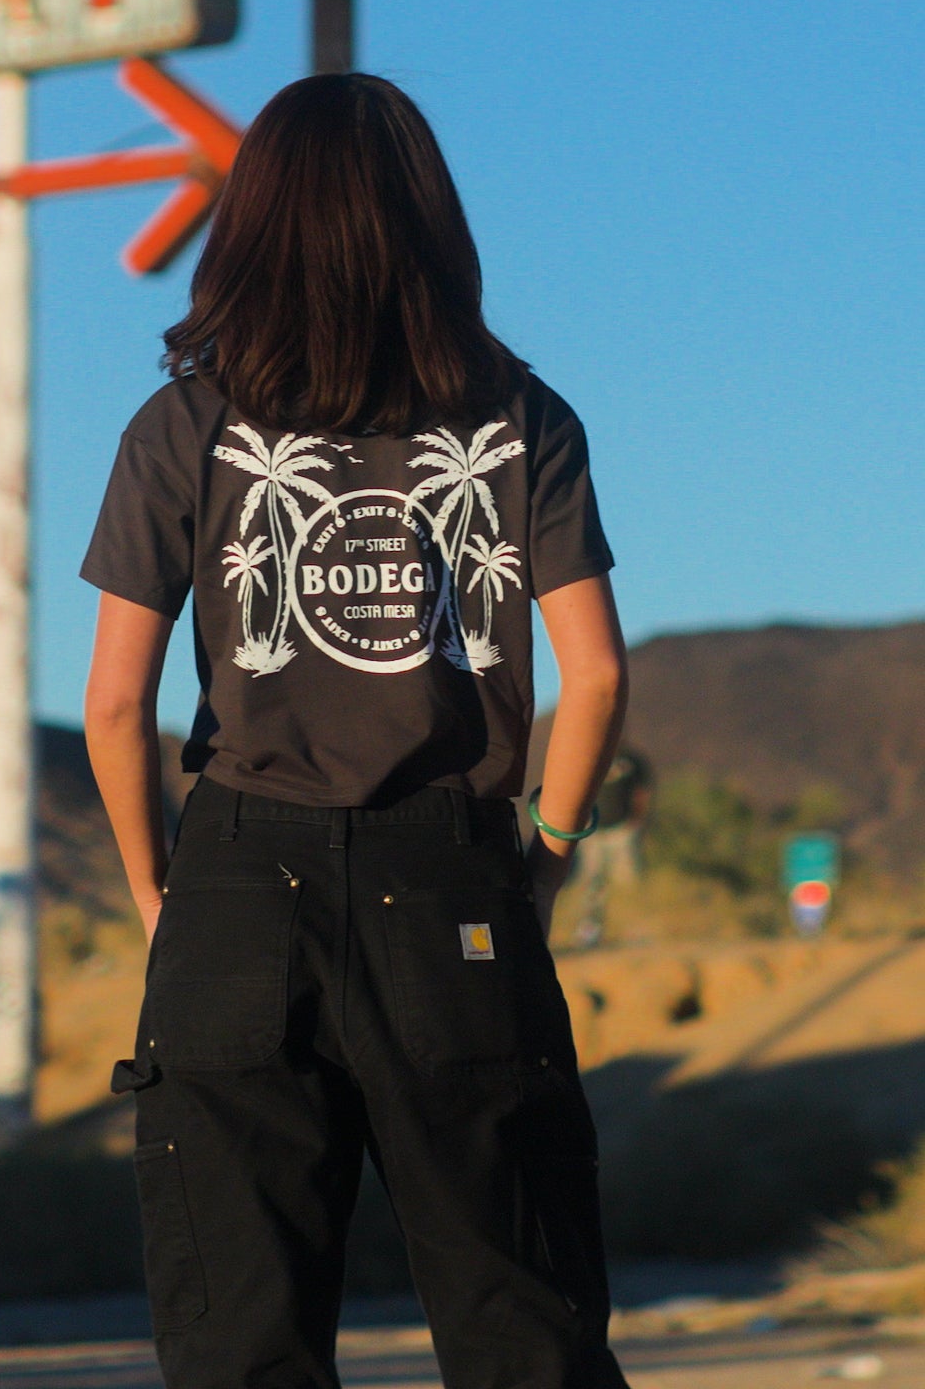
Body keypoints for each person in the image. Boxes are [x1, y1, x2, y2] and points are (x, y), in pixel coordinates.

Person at [81, 73, 630, 1389]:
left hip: (232, 886)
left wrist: (162, 895)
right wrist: (543, 850)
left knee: (238, 1348)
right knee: (524, 1328)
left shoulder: (185, 426)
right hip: (450, 880)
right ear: (430, 223)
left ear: (250, 226)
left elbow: (114, 705)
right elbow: (596, 674)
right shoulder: (521, 420)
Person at [571, 745, 653, 949]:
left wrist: (637, 823)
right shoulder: (588, 753)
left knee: (628, 882)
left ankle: (634, 932)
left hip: (623, 831)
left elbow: (642, 792)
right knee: (592, 884)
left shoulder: (632, 760)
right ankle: (590, 933)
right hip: (592, 832)